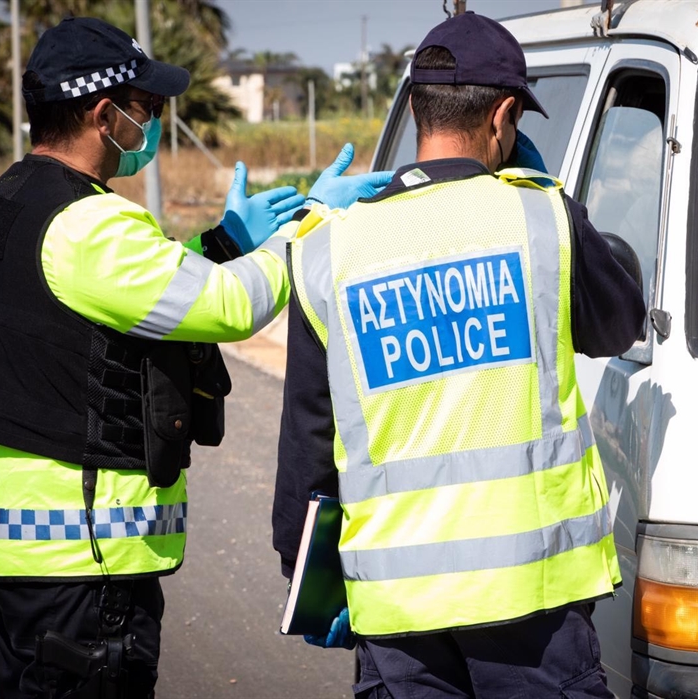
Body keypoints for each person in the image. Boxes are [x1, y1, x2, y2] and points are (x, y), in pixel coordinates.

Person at [0, 16, 389, 699]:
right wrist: (310, 226)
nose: (150, 123)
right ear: (103, 115)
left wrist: (224, 243)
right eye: (144, 108)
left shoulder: (4, 202)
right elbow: (232, 305)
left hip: (15, 540)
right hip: (83, 556)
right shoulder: (89, 225)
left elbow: (117, 298)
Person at [272, 12, 645, 698]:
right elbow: (618, 324)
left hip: (397, 612)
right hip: (531, 602)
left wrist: (306, 570)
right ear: (504, 117)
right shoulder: (542, 219)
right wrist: (559, 203)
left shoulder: (328, 247)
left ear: (417, 108)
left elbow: (308, 436)